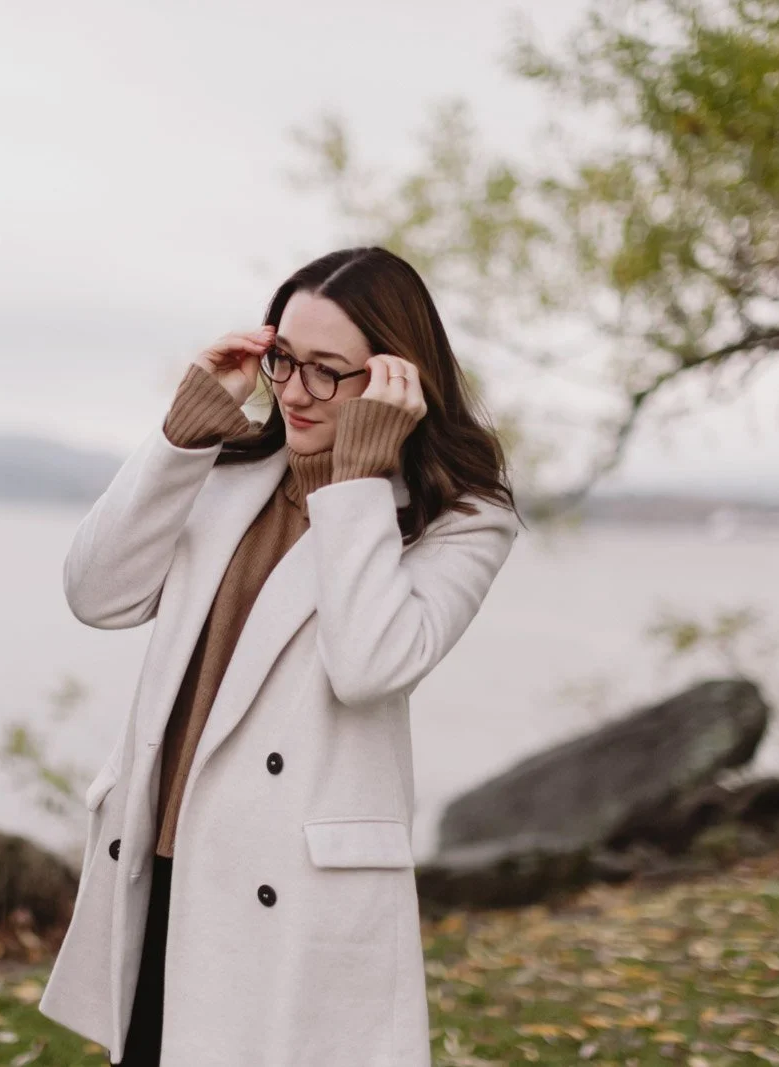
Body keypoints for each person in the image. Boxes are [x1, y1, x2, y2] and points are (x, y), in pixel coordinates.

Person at [38, 246, 519, 1065]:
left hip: (295, 903)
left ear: (396, 379)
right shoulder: (232, 469)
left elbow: (368, 664)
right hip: (162, 865)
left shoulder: (461, 517)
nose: (294, 391)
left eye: (328, 370)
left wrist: (358, 479)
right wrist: (180, 432)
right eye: (285, 360)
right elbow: (97, 593)